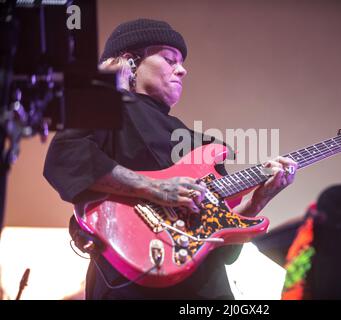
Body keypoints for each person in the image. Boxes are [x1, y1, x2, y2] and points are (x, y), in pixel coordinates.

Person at [43, 18, 298, 300]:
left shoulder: (203, 144)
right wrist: (155, 188)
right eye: (169, 59)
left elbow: (223, 249)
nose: (182, 69)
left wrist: (260, 198)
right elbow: (65, 157)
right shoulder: (105, 108)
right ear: (130, 61)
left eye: (181, 62)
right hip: (131, 287)